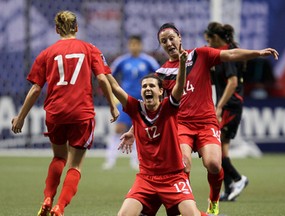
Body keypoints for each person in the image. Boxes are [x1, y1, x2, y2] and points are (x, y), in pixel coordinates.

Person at [120, 23, 278, 215]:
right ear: (161, 45)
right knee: (183, 164)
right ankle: (183, 208)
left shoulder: (199, 55)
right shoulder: (162, 74)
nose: (169, 43)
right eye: (164, 41)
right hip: (181, 125)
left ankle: (213, 201)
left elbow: (230, 55)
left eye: (171, 38)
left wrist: (258, 53)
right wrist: (131, 131)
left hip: (206, 122)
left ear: (180, 38)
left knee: (213, 164)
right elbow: (153, 110)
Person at [11, 10, 119, 216]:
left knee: (58, 157)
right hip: (81, 113)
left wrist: (21, 117)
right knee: (75, 165)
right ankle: (59, 207)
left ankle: (48, 197)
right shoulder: (90, 49)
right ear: (77, 28)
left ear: (56, 30)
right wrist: (112, 106)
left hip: (55, 113)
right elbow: (103, 79)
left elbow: (35, 89)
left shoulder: (47, 53)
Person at [107, 44, 209, 216]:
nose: (147, 89)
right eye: (144, 86)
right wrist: (101, 67)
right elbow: (116, 88)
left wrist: (182, 65)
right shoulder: (135, 108)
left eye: (151, 86)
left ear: (161, 91)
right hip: (146, 179)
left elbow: (180, 85)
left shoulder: (169, 107)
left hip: (173, 177)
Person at [204, 22, 249, 202]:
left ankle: (238, 179)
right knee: (222, 149)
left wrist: (219, 106)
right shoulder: (222, 53)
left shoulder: (227, 54)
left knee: (217, 149)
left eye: (208, 41)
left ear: (215, 38)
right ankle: (230, 189)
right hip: (230, 104)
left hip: (230, 105)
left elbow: (232, 82)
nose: (207, 45)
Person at [102, 35, 160, 170]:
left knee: (141, 129)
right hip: (125, 100)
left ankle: (136, 160)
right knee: (119, 128)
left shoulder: (148, 61)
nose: (134, 47)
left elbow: (158, 76)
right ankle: (110, 159)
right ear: (129, 45)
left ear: (140, 45)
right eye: (132, 44)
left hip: (143, 101)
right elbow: (109, 75)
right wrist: (112, 94)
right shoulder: (122, 61)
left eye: (137, 44)